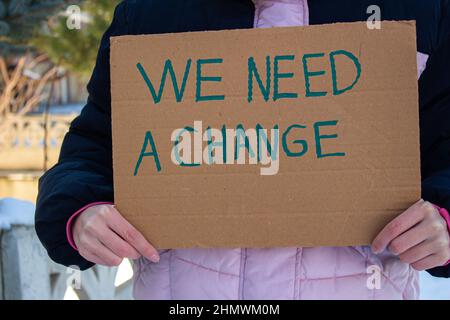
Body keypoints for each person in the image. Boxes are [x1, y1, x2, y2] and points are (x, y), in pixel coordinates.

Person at [35, 0, 450, 299]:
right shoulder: (150, 14)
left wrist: (444, 222)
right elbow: (90, 151)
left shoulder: (420, 11)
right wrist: (82, 214)